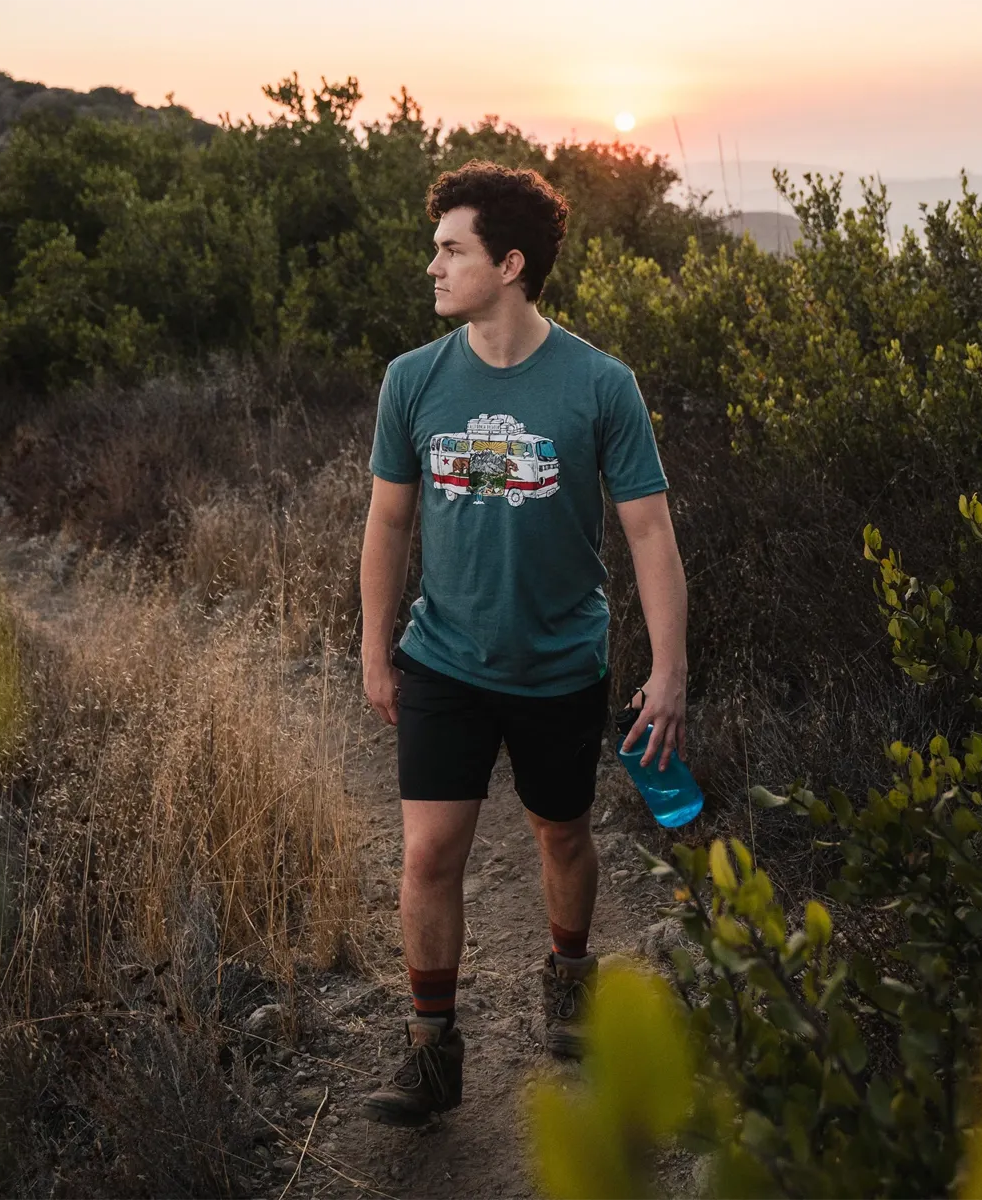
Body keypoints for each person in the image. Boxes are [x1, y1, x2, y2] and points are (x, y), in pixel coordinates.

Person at [358, 160, 689, 1127]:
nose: (433, 267)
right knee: (428, 854)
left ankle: (571, 972)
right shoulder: (412, 381)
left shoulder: (599, 385)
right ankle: (432, 1053)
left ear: (509, 264)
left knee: (564, 832)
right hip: (446, 659)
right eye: (435, 250)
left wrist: (669, 672)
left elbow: (650, 532)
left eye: (450, 250)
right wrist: (377, 650)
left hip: (559, 664)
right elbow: (386, 525)